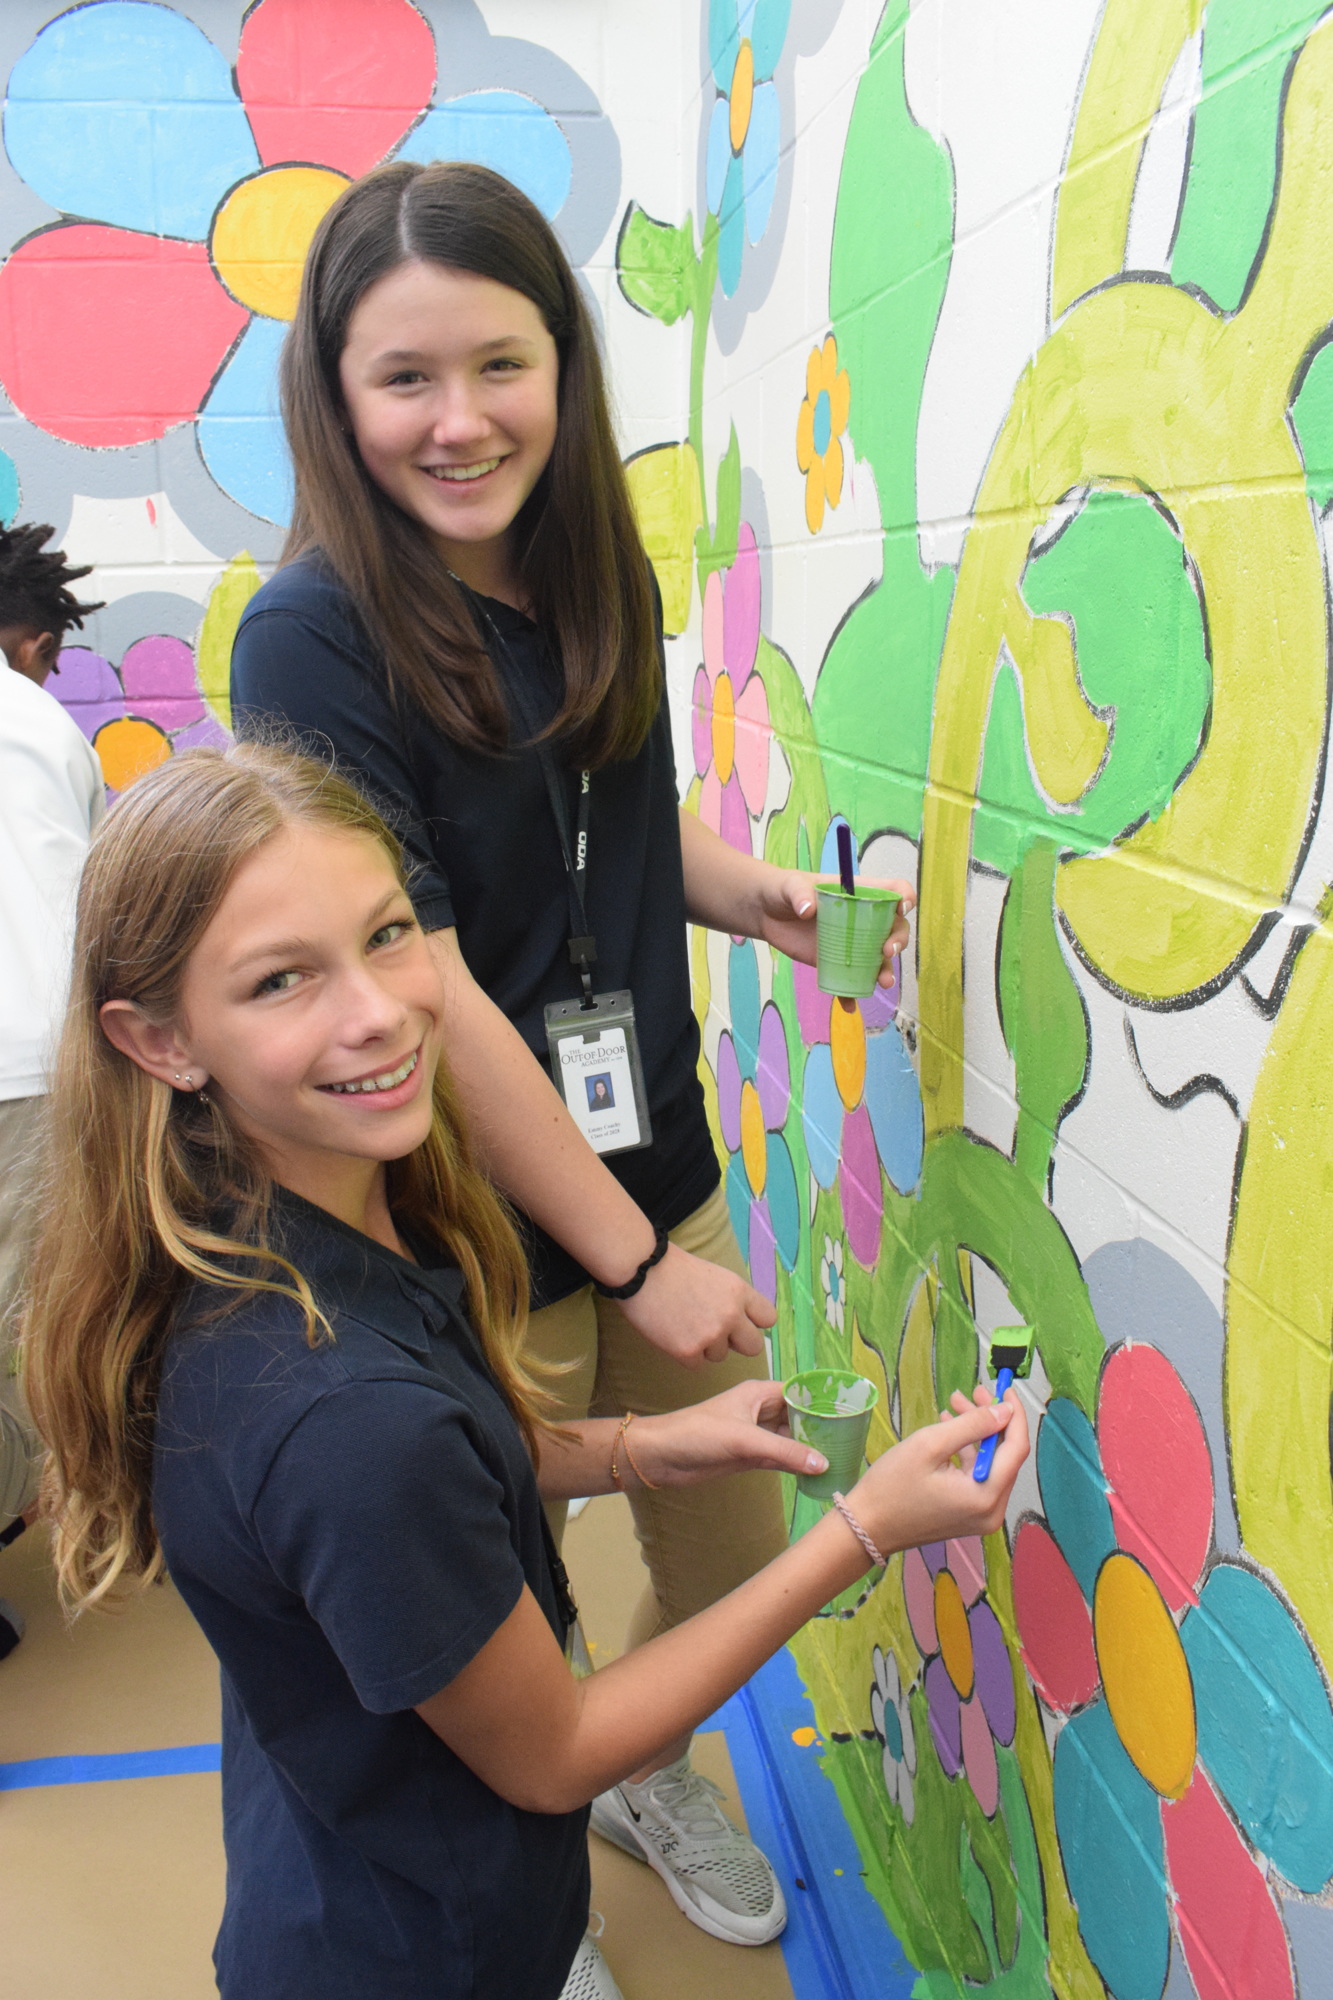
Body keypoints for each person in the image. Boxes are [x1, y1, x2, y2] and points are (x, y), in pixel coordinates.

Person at [20, 745, 1025, 2000]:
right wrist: (868, 1528)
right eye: (282, 978)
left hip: (347, 1859)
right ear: (159, 1040)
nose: (379, 1009)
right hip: (424, 1954)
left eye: (388, 934)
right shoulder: (343, 1420)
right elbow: (558, 1752)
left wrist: (645, 1444)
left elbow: (456, 1442)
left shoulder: (305, 1220)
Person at [230, 160, 916, 1939]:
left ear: (563, 362)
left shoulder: (585, 560)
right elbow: (426, 984)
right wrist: (624, 1261)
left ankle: (637, 1778)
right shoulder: (312, 635)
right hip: (465, 1223)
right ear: (335, 389)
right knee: (501, 1603)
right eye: (404, 379)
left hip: (652, 1167)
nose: (459, 423)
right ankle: (527, 1897)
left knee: (719, 1537)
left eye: (499, 365)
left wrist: (751, 894)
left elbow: (606, 814)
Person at [0, 521, 103, 1654]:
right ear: (28, 639)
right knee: (23, 1322)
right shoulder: (28, 720)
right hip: (22, 1068)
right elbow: (77, 905)